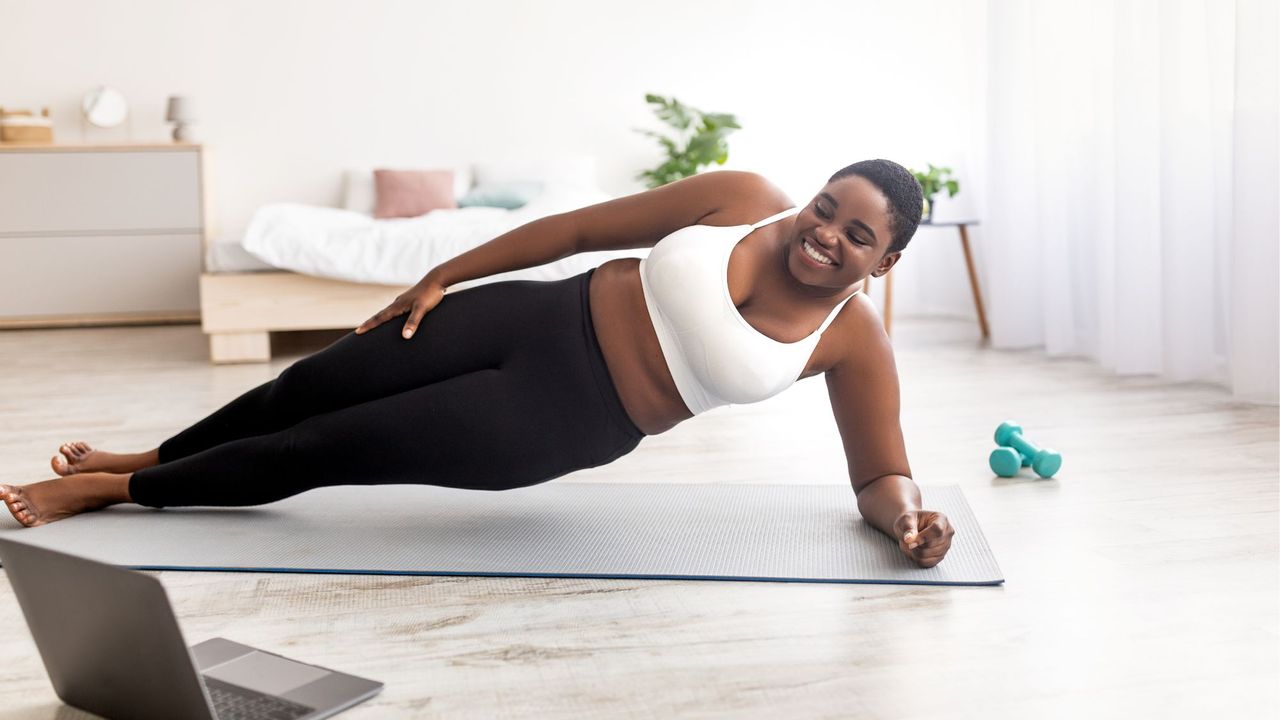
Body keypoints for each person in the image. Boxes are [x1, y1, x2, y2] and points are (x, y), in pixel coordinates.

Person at [1, 159, 955, 568]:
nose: (825, 233)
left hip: (568, 417)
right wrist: (443, 275)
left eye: (857, 234)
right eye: (828, 206)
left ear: (888, 261)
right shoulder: (744, 195)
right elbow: (579, 227)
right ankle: (151, 456)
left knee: (327, 444)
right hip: (531, 316)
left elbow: (879, 474)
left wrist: (909, 522)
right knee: (310, 383)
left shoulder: (854, 342)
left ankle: (120, 494)